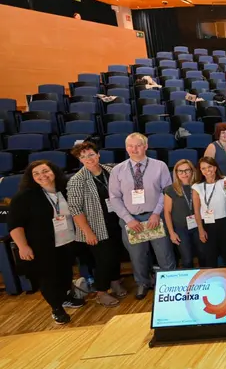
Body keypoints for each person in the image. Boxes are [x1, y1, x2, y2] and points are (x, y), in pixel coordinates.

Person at [10, 160, 85, 324]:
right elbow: (15, 225)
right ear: (31, 177)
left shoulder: (64, 190)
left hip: (66, 241)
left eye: (45, 171)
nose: (42, 176)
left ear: (54, 171)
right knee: (48, 278)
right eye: (36, 173)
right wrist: (23, 246)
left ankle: (66, 298)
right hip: (41, 245)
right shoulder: (24, 197)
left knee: (65, 273)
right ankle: (57, 309)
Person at [109, 133, 175, 300]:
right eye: (130, 146)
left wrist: (156, 213)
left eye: (138, 145)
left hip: (155, 217)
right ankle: (143, 283)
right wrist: (128, 219)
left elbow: (167, 192)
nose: (134, 149)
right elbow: (114, 197)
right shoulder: (117, 170)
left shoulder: (159, 166)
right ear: (126, 148)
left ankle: (170, 282)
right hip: (132, 220)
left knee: (164, 253)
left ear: (145, 146)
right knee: (137, 256)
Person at [66, 143, 127, 307]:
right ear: (80, 160)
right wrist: (87, 232)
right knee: (104, 259)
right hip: (95, 226)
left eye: (91, 154)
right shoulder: (76, 181)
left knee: (115, 254)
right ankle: (101, 292)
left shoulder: (111, 170)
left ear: (98, 154)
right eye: (83, 157)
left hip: (115, 220)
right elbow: (75, 209)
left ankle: (115, 281)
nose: (88, 159)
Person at [192, 157, 226, 267]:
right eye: (203, 168)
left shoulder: (225, 181)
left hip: (225, 222)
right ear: (200, 170)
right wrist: (200, 229)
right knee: (210, 255)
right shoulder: (197, 187)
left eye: (209, 167)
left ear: (215, 168)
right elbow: (196, 211)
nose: (207, 170)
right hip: (207, 224)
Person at [163, 159, 202, 269]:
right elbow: (167, 212)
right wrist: (171, 233)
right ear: (176, 173)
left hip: (198, 226)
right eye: (180, 171)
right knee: (187, 259)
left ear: (192, 171)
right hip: (181, 229)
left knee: (203, 255)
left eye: (187, 170)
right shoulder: (170, 190)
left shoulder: (198, 186)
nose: (184, 174)